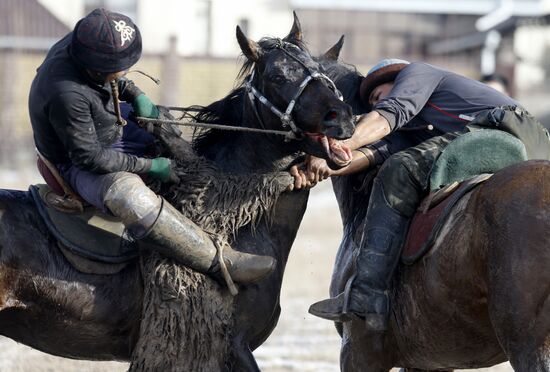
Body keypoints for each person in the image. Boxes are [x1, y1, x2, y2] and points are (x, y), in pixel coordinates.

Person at [297, 59, 550, 331]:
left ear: (394, 80)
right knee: (400, 162)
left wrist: (340, 144)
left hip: (502, 130)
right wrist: (324, 167)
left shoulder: (416, 74)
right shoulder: (414, 129)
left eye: (377, 95)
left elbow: (387, 116)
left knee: (397, 170)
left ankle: (367, 292)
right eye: (371, 102)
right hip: (533, 149)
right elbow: (373, 153)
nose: (375, 103)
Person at [28, 8, 275, 287]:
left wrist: (136, 94)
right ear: (95, 65)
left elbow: (114, 75)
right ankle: (218, 262)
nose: (126, 70)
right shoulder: (66, 94)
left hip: (104, 123)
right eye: (121, 66)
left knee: (163, 124)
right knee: (128, 195)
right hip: (75, 161)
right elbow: (90, 157)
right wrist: (151, 167)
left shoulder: (84, 43)